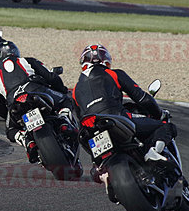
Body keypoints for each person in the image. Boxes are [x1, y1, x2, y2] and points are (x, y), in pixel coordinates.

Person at [72, 44, 176, 180]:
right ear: (106, 61)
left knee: (97, 164)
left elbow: (80, 119)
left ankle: (102, 170)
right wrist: (159, 114)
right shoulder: (113, 73)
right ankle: (154, 151)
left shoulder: (75, 90)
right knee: (166, 126)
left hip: (89, 131)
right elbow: (142, 98)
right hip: (116, 118)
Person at [0, 41, 73, 163]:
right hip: (36, 91)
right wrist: (62, 90)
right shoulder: (27, 61)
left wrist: (7, 113)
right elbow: (51, 77)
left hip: (15, 102)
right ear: (15, 52)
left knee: (11, 131)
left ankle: (28, 141)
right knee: (65, 99)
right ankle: (64, 121)